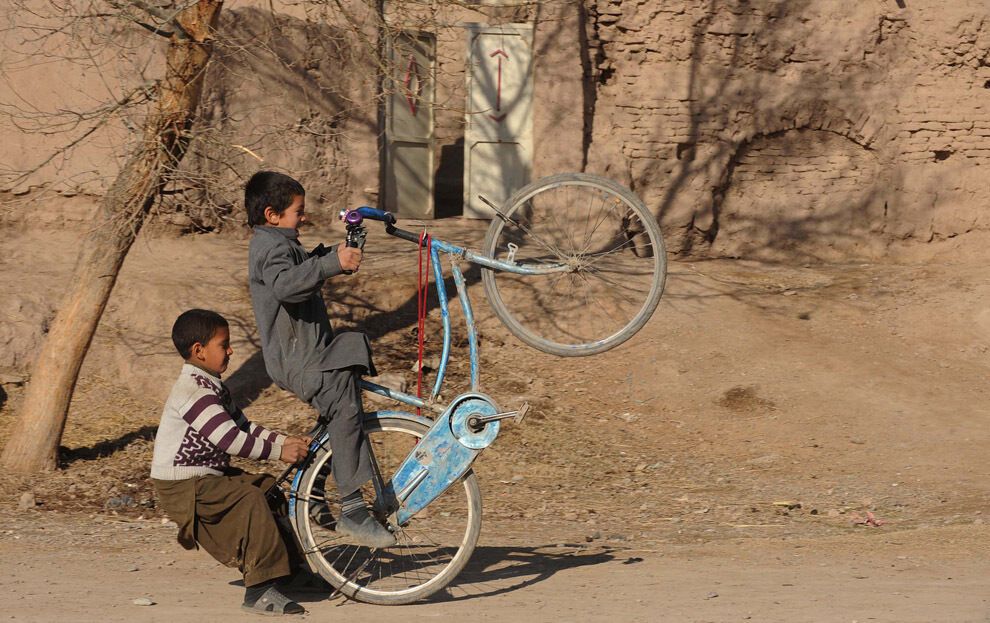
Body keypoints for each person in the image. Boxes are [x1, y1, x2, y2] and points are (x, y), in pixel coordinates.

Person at [245, 170, 395, 547]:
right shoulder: (270, 248)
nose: (303, 217)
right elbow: (285, 285)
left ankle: (311, 491)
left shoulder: (278, 243)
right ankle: (353, 511)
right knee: (345, 411)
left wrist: (334, 256)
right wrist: (331, 265)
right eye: (298, 212)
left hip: (309, 353)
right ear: (271, 214)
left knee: (342, 399)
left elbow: (298, 272)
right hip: (301, 360)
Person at [151, 309, 312, 616]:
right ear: (199, 351)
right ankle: (259, 590)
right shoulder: (193, 390)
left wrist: (284, 441)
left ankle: (289, 571)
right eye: (223, 344)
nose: (230, 350)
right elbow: (229, 440)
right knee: (250, 500)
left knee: (268, 489)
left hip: (207, 476)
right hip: (183, 485)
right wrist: (279, 454)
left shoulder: (212, 385)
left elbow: (244, 427)